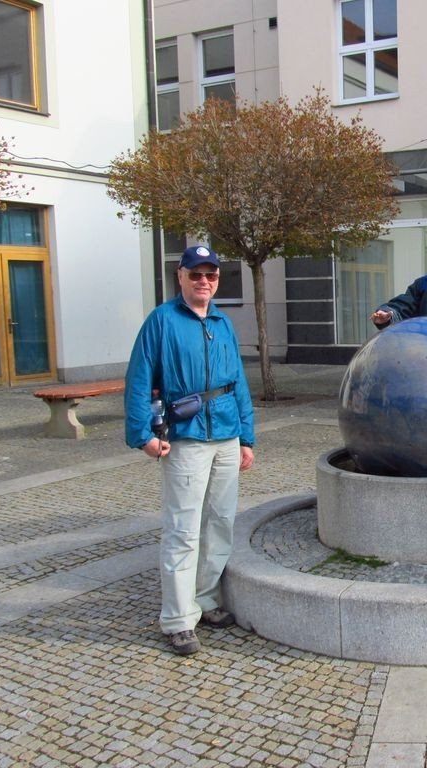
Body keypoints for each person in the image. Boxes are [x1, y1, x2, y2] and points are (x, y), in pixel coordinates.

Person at [125, 244, 256, 656]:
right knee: (183, 530)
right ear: (180, 276)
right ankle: (179, 619)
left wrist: (247, 436)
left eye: (210, 275)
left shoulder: (222, 321)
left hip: (226, 435)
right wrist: (142, 434)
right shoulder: (162, 321)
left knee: (220, 523)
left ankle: (206, 599)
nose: (204, 281)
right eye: (195, 274)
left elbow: (238, 382)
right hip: (186, 437)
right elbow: (139, 378)